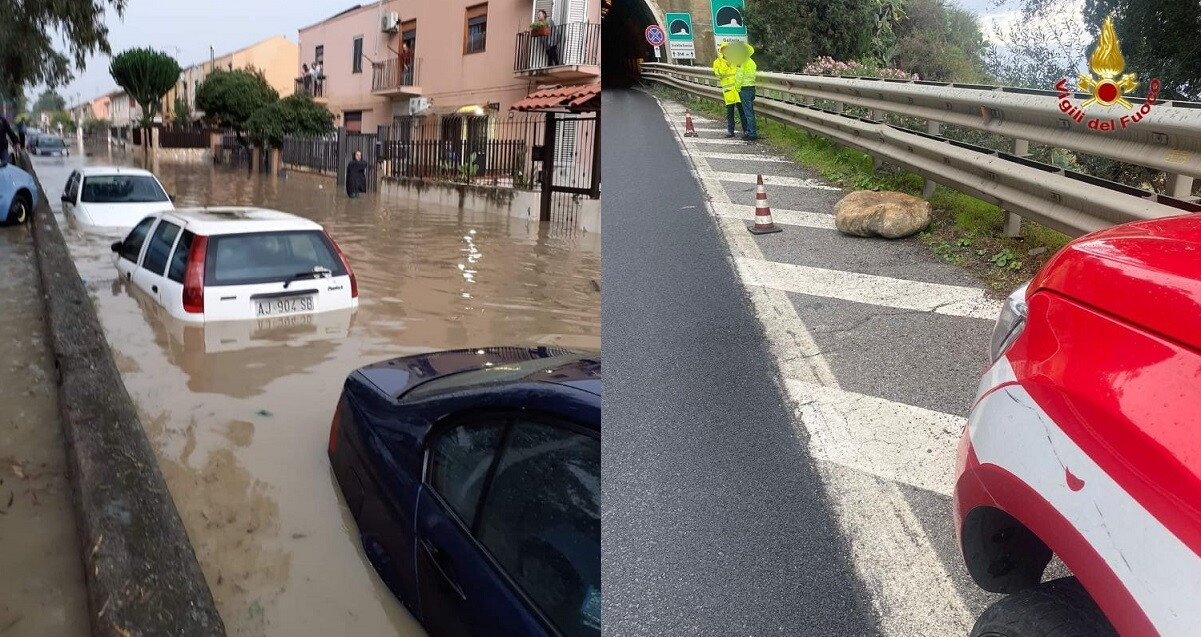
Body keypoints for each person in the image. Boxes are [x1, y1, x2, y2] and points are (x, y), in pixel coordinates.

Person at [712, 42, 742, 138]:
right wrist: (726, 65)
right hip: (728, 92)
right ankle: (730, 131)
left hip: (737, 90)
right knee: (730, 113)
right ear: (721, 51)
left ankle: (746, 130)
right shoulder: (717, 62)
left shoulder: (735, 59)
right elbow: (719, 74)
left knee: (742, 112)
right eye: (724, 50)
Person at [736, 43, 758, 141]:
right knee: (750, 112)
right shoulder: (752, 62)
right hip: (751, 88)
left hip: (744, 89)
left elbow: (739, 76)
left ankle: (751, 133)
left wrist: (737, 88)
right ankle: (751, 131)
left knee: (748, 113)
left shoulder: (742, 62)